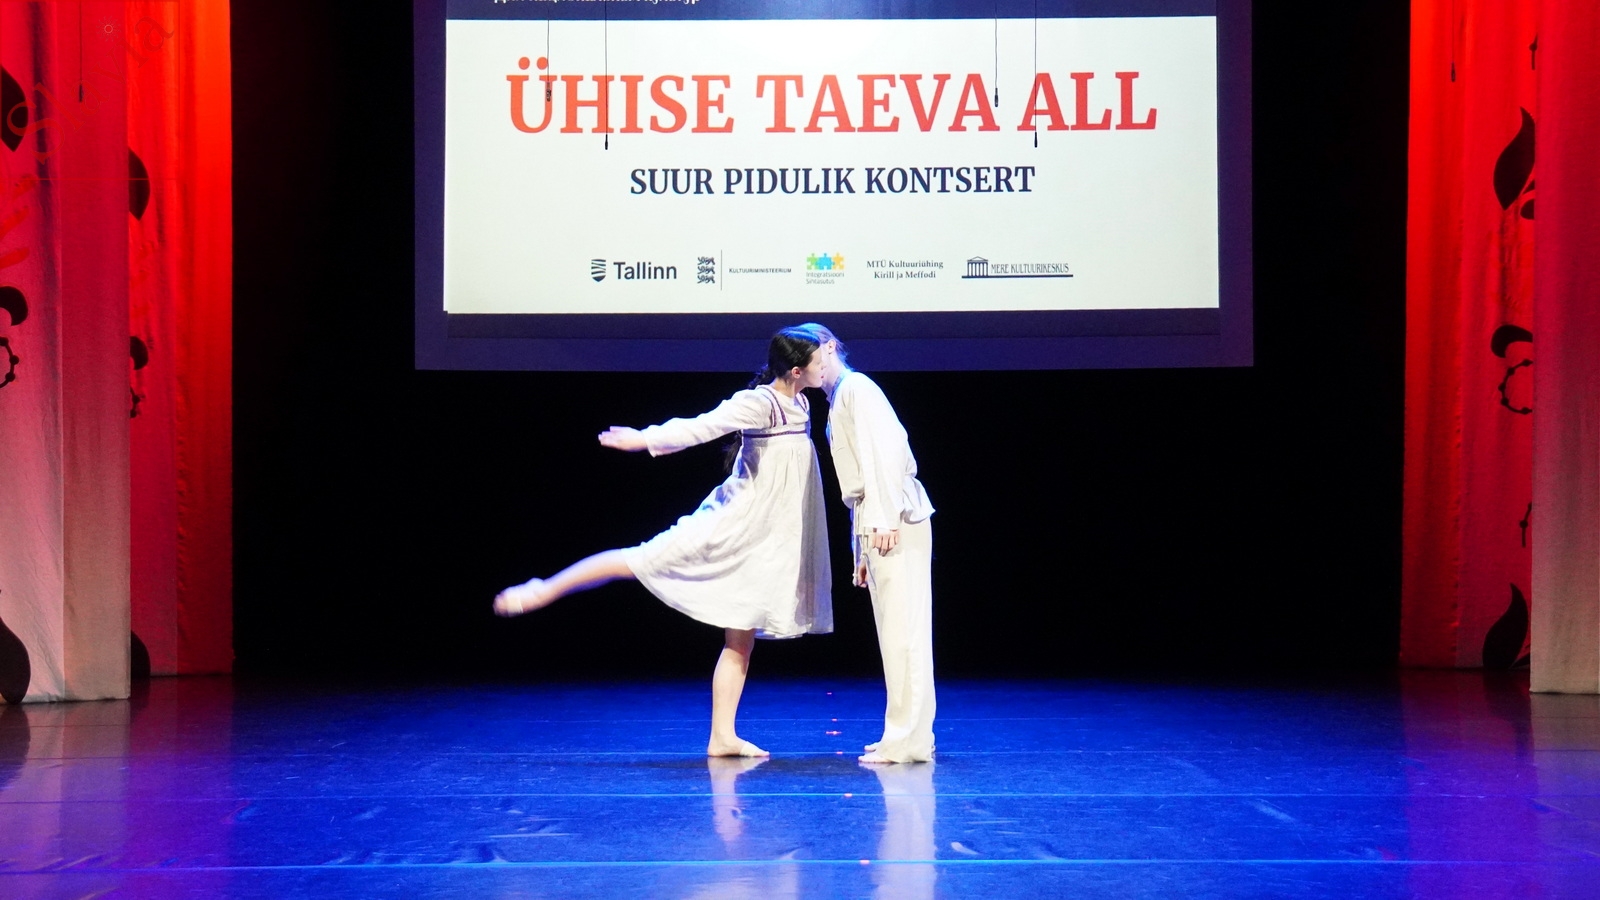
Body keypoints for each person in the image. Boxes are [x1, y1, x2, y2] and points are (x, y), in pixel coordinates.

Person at [493, 329, 833, 758]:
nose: (826, 367)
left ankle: (722, 736)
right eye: (820, 361)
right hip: (730, 526)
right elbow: (702, 426)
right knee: (640, 560)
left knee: (741, 638)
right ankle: (544, 589)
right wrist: (645, 438)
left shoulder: (802, 403)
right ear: (797, 371)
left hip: (760, 539)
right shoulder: (761, 402)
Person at [793, 323, 936, 764]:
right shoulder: (841, 397)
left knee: (905, 633)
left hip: (895, 515)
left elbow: (884, 456)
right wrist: (861, 547)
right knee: (895, 634)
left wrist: (885, 519)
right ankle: (906, 735)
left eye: (814, 353)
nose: (810, 365)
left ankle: (908, 739)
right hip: (876, 519)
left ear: (830, 347)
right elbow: (860, 482)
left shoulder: (858, 389)